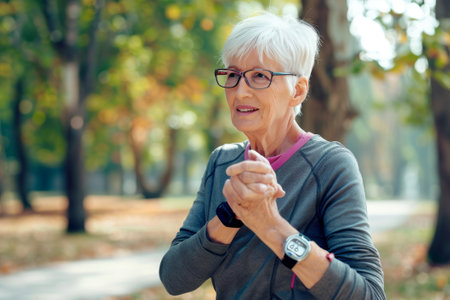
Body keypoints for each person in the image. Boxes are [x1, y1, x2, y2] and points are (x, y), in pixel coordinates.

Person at [159, 11, 386, 299]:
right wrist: (231, 214)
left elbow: (369, 295)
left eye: (259, 76)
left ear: (298, 91)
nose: (240, 92)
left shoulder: (330, 165)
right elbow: (173, 278)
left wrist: (271, 226)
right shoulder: (222, 163)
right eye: (233, 75)